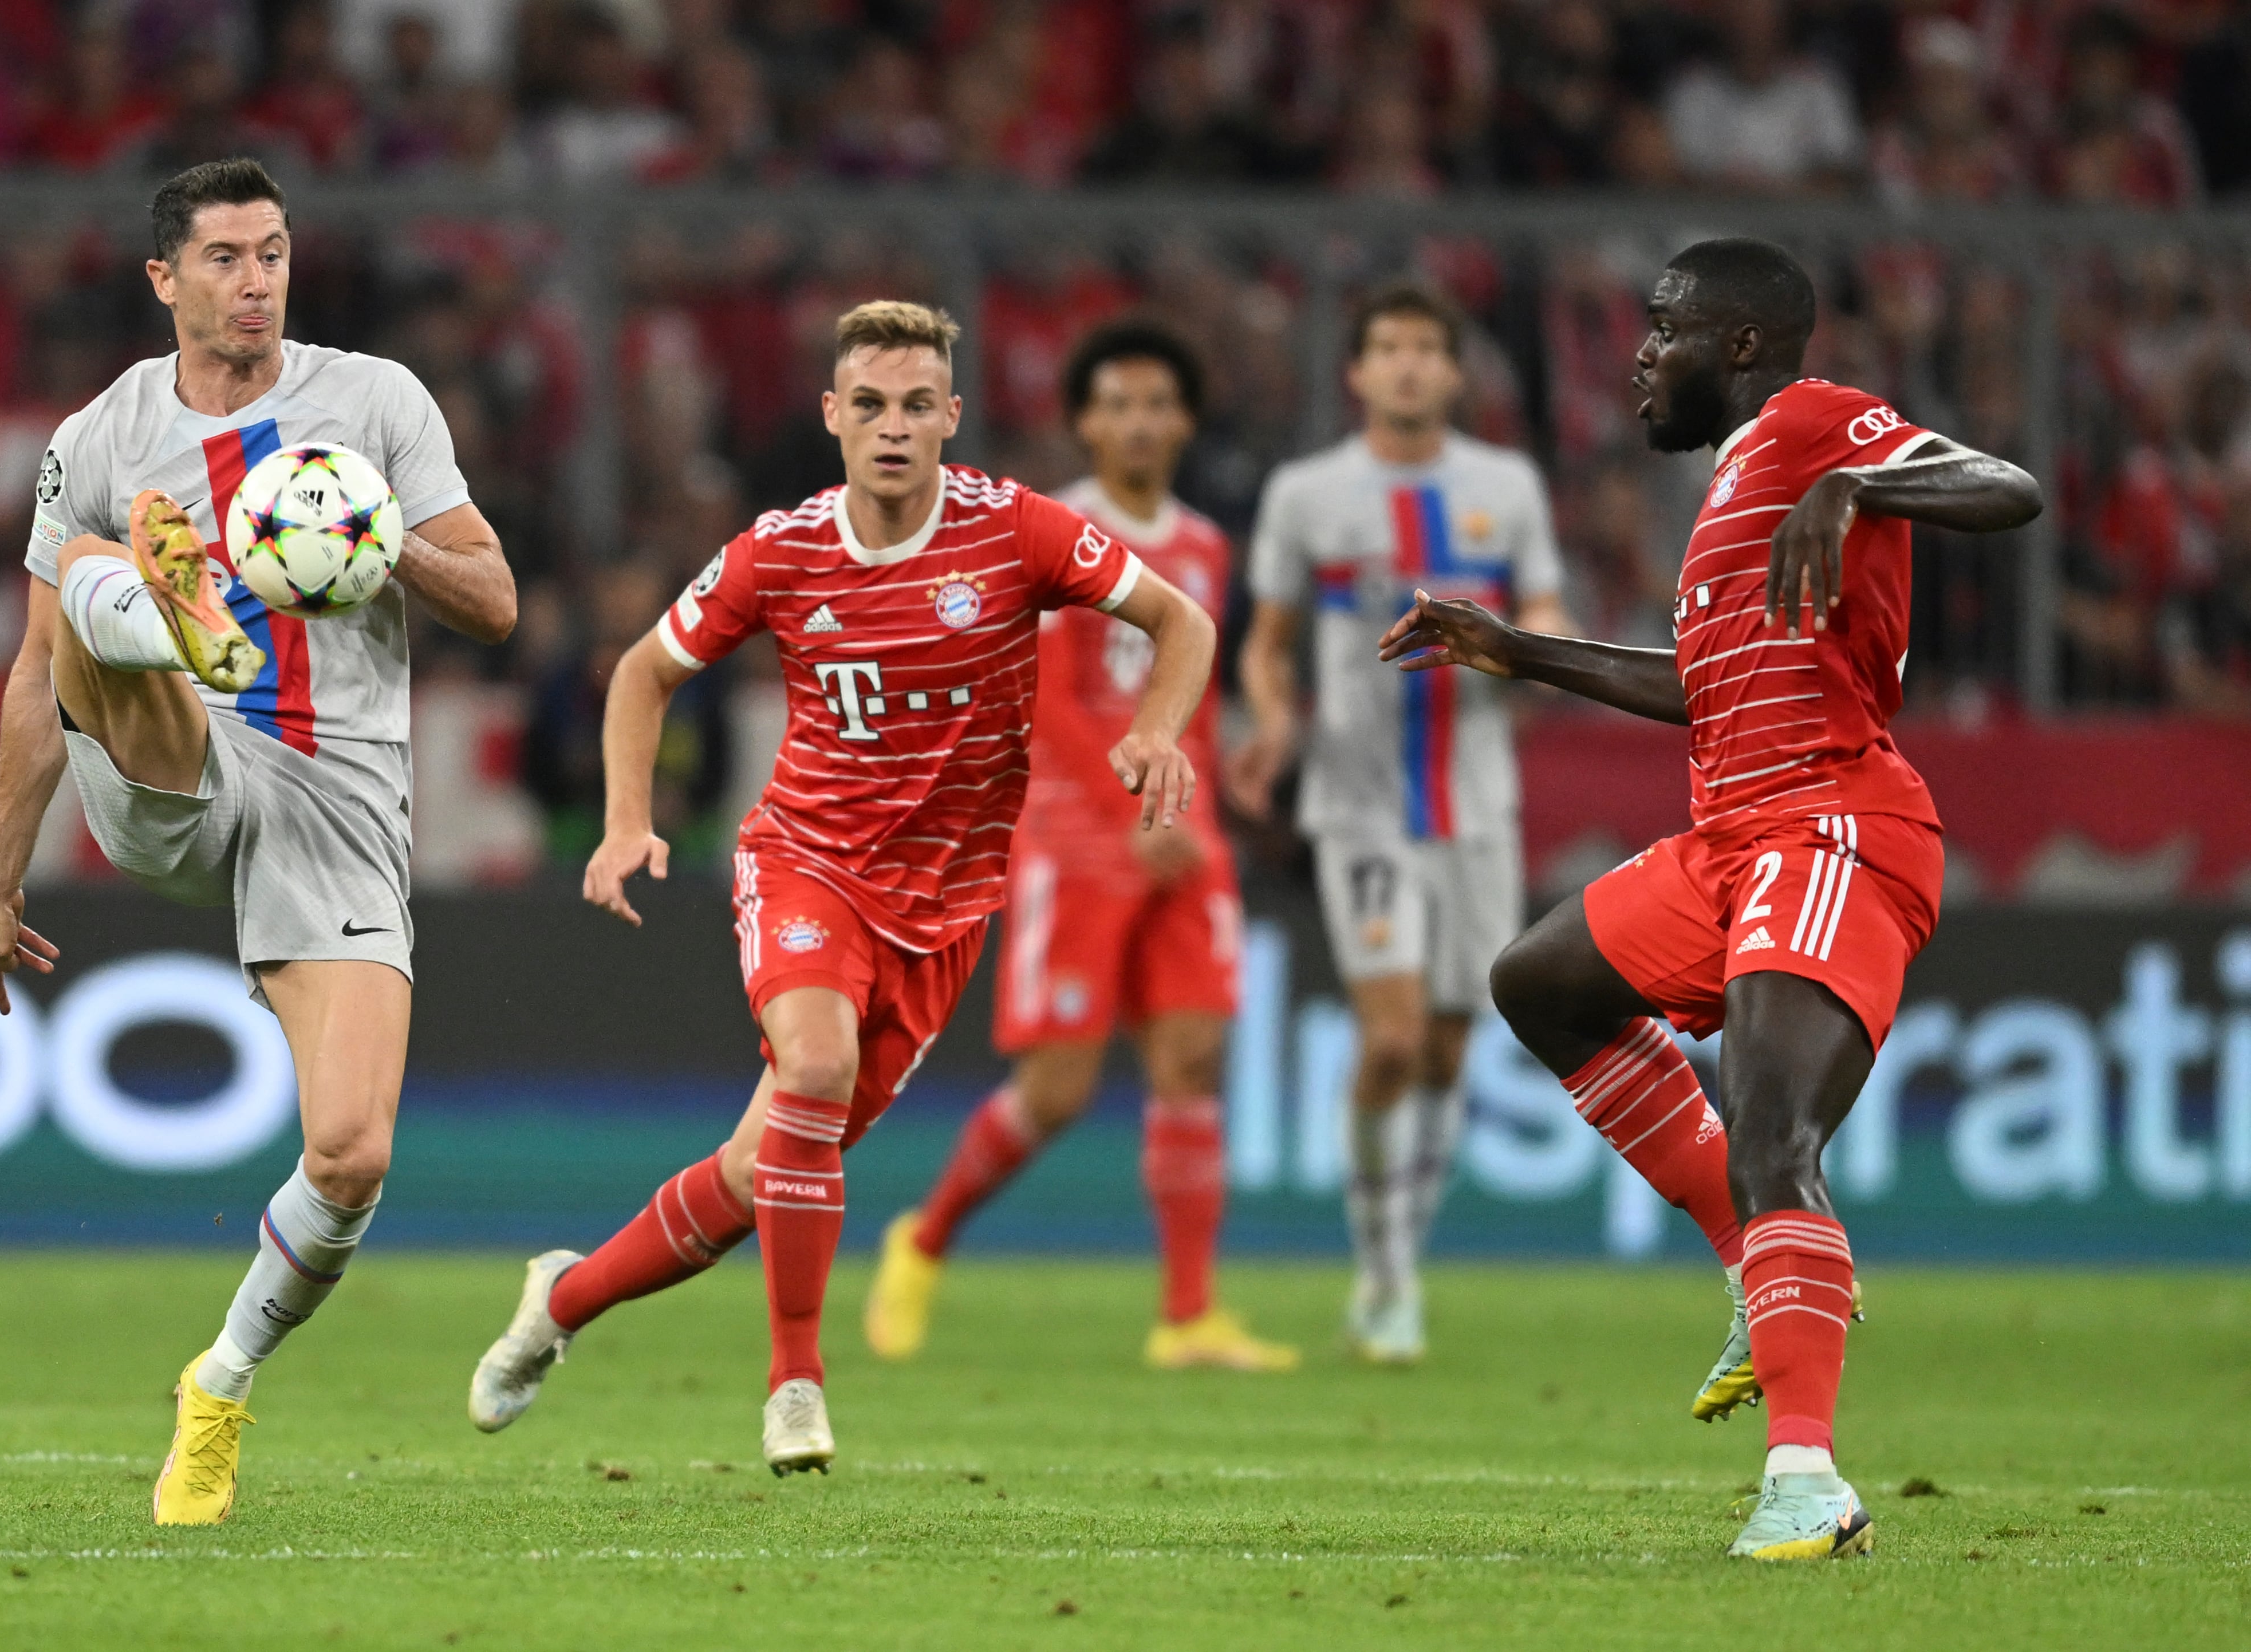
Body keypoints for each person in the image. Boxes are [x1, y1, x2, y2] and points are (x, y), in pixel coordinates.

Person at [468, 301, 1215, 1474]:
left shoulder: (1016, 532)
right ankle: (795, 1385)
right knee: (810, 1069)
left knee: (754, 1173)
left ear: (950, 418)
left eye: (917, 405)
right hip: (804, 861)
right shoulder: (778, 552)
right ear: (830, 416)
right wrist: (624, 824)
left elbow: (1181, 622)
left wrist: (1159, 731)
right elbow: (642, 676)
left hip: (946, 908)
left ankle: (560, 1304)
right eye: (868, 404)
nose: (892, 427)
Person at [1379, 237, 2040, 1559]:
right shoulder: (1739, 482)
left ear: (1740, 346)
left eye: (1665, 327)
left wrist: (1857, 480)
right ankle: (1755, 1258)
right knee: (1540, 985)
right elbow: (1698, 686)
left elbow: (2005, 486)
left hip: (1828, 826)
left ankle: (1805, 1481)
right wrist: (1517, 653)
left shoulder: (1807, 424)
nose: (1638, 354)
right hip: (1729, 835)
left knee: (1770, 1129)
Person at [0, 158, 516, 1527]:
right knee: (90, 581)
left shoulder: (374, 403)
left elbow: (496, 600)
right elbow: (34, 674)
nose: (256, 279)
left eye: (272, 253)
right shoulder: (99, 435)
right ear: (164, 280)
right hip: (179, 753)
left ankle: (217, 1384)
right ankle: (180, 612)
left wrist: (380, 549)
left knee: (350, 1153)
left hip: (337, 793)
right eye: (223, 258)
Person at [861, 321, 1294, 1374]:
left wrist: (1215, 775)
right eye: (1118, 404)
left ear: (1185, 421)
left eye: (1159, 403)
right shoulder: (1047, 530)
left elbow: (1180, 693)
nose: (1140, 422)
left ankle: (1187, 1315)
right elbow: (1046, 702)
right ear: (1086, 422)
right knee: (1057, 1089)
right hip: (1077, 834)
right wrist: (1119, 821)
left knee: (1192, 1059)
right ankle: (921, 1240)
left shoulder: (1203, 543)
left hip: (1180, 833)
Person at [1228, 282, 1572, 1363]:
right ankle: (1382, 1277)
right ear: (1358, 371)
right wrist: (1276, 721)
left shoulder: (1505, 486)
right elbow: (1267, 640)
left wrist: (1529, 643)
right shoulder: (1308, 493)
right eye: (1389, 348)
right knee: (1387, 1039)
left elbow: (1548, 611)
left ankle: (1401, 1267)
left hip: (1476, 805)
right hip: (1360, 804)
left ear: (1455, 371)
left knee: (1447, 1048)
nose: (1409, 366)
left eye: (1428, 348)